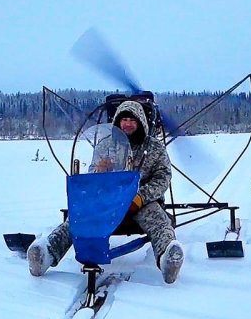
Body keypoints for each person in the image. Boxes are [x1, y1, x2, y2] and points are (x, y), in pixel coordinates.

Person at [27, 100, 185, 284]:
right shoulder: (105, 145)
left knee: (158, 219)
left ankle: (168, 256)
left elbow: (163, 177)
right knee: (79, 217)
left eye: (132, 120)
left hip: (140, 202)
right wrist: (99, 172)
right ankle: (46, 253)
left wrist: (141, 197)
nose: (127, 124)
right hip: (109, 202)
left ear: (141, 121)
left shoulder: (154, 148)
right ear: (117, 122)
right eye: (123, 119)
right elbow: (92, 178)